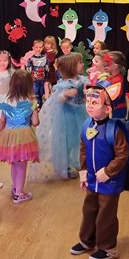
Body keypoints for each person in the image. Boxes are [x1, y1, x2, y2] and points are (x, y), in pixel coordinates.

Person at [70, 84, 129, 259]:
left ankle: (107, 247)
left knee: (106, 215)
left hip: (110, 183)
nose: (89, 106)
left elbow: (122, 155)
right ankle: (87, 240)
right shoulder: (86, 125)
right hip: (91, 180)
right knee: (89, 210)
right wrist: (83, 173)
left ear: (107, 109)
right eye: (88, 101)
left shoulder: (115, 129)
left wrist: (108, 172)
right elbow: (83, 150)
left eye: (95, 103)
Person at [0, 69, 40, 203]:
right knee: (22, 166)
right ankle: (19, 193)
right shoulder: (31, 102)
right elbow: (35, 123)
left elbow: (2, 121)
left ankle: (15, 187)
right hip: (24, 137)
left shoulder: (7, 101)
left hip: (9, 136)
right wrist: (35, 112)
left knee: (14, 164)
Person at [40, 52, 87, 180]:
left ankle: (77, 161)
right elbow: (56, 100)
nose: (83, 64)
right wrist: (65, 94)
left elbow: (84, 96)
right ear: (72, 67)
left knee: (80, 139)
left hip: (81, 113)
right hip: (68, 117)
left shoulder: (82, 80)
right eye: (80, 63)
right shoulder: (64, 84)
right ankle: (65, 165)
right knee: (68, 141)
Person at [98, 51, 127, 119]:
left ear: (115, 66)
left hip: (116, 111)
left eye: (107, 63)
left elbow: (110, 98)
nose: (104, 65)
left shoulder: (118, 80)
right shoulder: (107, 77)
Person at [24, 39, 48, 108]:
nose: (38, 49)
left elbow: (47, 69)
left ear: (43, 48)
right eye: (36, 47)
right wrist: (31, 77)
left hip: (43, 80)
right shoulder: (31, 59)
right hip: (34, 81)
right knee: (35, 95)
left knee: (43, 94)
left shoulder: (45, 58)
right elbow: (28, 71)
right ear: (33, 48)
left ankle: (43, 109)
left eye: (40, 47)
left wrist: (46, 78)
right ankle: (35, 109)